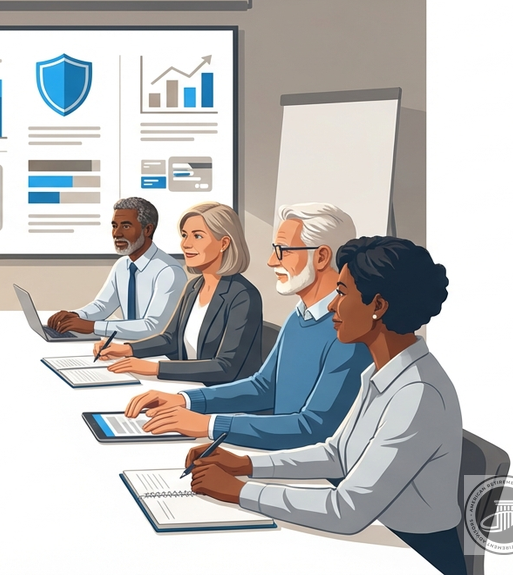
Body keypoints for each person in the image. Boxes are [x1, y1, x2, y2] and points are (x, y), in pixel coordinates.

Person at [187, 237, 464, 575]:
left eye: (342, 293)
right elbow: (336, 454)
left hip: (413, 556)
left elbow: (347, 510)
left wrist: (240, 491)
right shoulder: (381, 372)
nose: (332, 306)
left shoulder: (418, 392)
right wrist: (244, 464)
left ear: (378, 305)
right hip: (378, 539)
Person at [119, 203, 371, 449]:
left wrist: (209, 425)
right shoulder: (299, 317)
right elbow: (263, 386)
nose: (272, 261)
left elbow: (313, 428)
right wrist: (185, 400)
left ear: (322, 256)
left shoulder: (348, 331)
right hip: (278, 451)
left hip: (309, 470)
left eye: (283, 250)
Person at [95, 202, 263, 385]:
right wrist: (126, 349)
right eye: (184, 235)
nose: (186, 244)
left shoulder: (243, 295)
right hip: (189, 384)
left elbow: (226, 367)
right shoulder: (194, 286)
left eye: (197, 236)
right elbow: (171, 339)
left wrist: (155, 368)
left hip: (221, 396)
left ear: (223, 243)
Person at [47, 197, 186, 340]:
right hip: (126, 346)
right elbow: (103, 306)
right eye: (114, 226)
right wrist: (77, 315)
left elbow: (153, 328)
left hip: (156, 355)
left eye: (126, 226)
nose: (116, 233)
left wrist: (93, 326)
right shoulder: (122, 265)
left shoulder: (169, 271)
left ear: (148, 229)